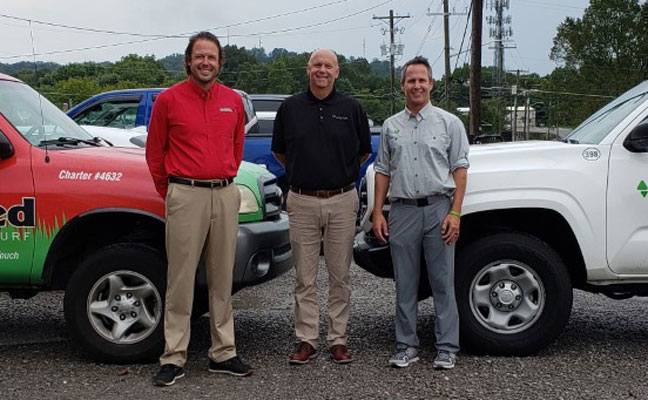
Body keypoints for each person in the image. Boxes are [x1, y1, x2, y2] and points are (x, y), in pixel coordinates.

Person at [146, 31, 251, 386]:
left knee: (222, 277)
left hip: (224, 193)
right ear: (188, 61)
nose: (206, 62)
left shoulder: (233, 101)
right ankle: (174, 357)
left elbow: (236, 148)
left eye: (212, 57)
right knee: (180, 279)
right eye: (199, 56)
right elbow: (155, 153)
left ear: (220, 63)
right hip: (185, 194)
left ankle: (223, 352)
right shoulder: (168, 100)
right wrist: (172, 192)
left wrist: (224, 179)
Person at [272, 48, 372, 365]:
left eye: (328, 65)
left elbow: (363, 153)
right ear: (308, 69)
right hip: (301, 200)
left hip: (342, 200)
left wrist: (335, 177)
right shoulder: (289, 108)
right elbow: (280, 154)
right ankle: (307, 340)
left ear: (337, 71)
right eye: (317, 64)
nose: (322, 70)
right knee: (305, 276)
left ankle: (338, 340)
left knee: (340, 275)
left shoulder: (351, 108)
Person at [372, 56, 469, 370]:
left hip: (439, 209)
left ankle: (447, 347)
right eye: (410, 80)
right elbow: (383, 171)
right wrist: (377, 213)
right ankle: (406, 345)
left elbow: (460, 171)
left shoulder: (449, 124)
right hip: (402, 212)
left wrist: (455, 213)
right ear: (403, 85)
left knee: (443, 282)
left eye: (421, 80)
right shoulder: (391, 127)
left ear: (431, 84)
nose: (416, 85)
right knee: (406, 283)